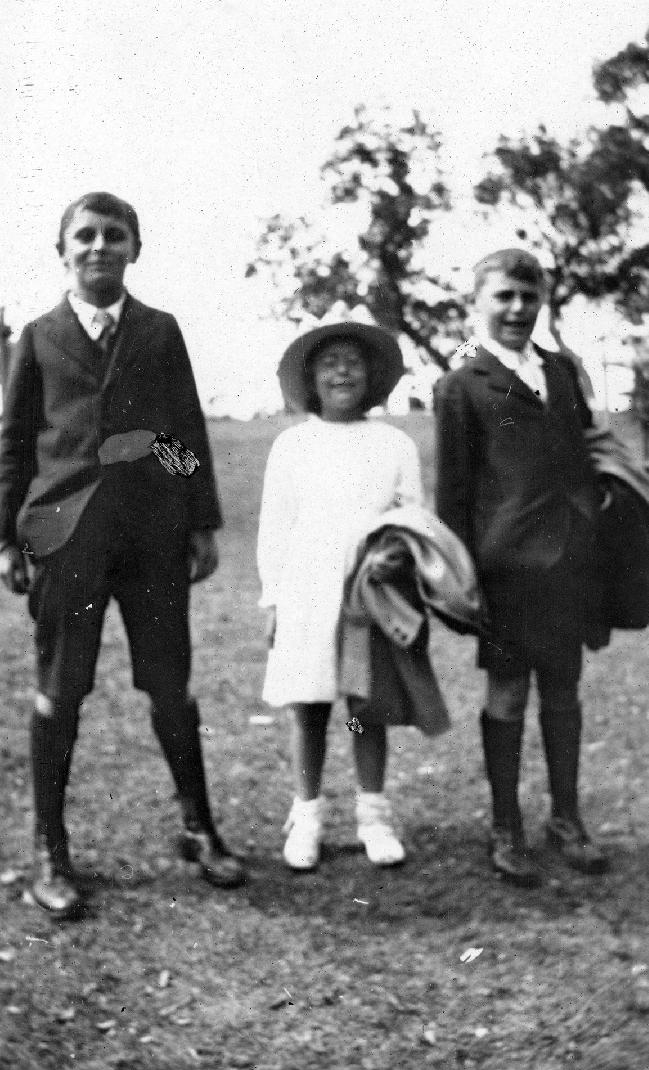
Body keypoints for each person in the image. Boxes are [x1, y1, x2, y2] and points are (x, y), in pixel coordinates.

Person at [0, 191, 245, 918]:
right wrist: (8, 537)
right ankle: (50, 846)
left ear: (135, 248)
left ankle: (198, 826)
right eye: (85, 235)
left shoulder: (159, 332)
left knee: (171, 685)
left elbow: (183, 432)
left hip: (152, 539)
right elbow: (14, 443)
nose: (100, 246)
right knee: (61, 688)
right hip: (65, 539)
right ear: (62, 251)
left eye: (115, 235)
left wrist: (197, 520)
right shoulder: (37, 337)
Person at [433, 248, 609, 887]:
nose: (516, 309)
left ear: (542, 302)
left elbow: (586, 450)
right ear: (476, 303)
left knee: (564, 689)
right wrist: (460, 574)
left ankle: (567, 819)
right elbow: (452, 492)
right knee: (507, 693)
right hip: (504, 569)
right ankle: (506, 826)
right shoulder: (461, 384)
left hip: (569, 563)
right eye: (503, 297)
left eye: (527, 297)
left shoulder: (561, 371)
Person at [257, 321, 427, 871]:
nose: (342, 372)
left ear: (373, 375)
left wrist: (393, 553)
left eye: (353, 361)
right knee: (308, 707)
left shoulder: (394, 443)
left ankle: (372, 814)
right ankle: (306, 813)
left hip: (368, 596)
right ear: (311, 377)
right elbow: (275, 528)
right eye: (329, 363)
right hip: (307, 594)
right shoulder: (293, 444)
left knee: (363, 708)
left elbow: (412, 519)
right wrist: (274, 600)